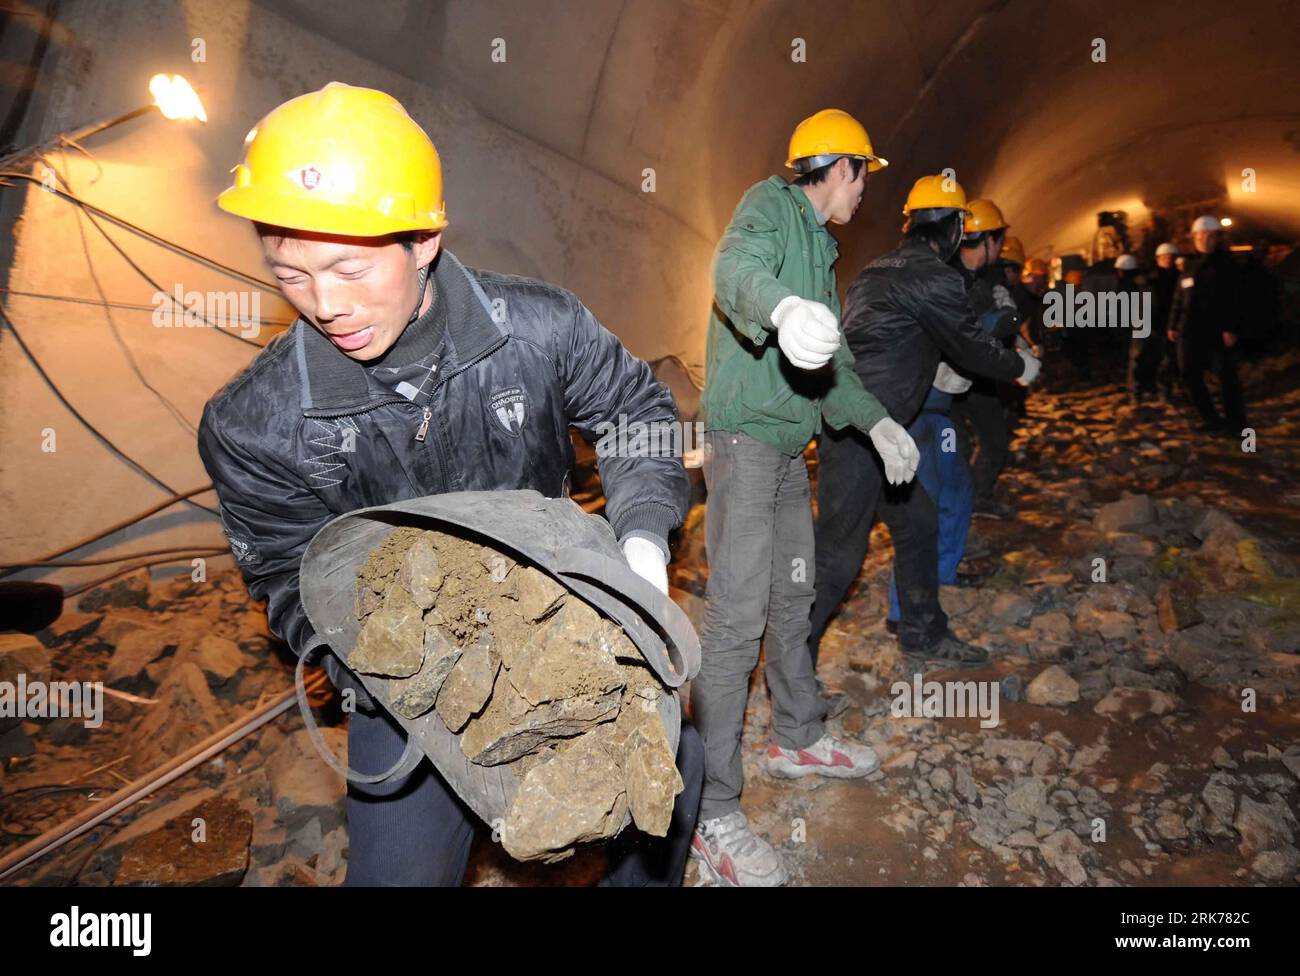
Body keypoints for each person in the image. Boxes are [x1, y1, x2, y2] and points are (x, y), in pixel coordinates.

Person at [198, 82, 700, 886]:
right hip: (410, 680)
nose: (324, 304)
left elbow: (636, 411)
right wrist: (381, 668)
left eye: (347, 269)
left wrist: (641, 541)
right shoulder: (255, 425)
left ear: (423, 240)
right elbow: (285, 572)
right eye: (290, 274)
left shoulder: (539, 330)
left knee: (670, 785)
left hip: (556, 612)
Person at [693, 108, 918, 887]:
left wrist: (879, 422)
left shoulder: (822, 253)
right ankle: (712, 809)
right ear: (843, 168)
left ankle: (796, 736)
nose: (864, 194)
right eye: (864, 176)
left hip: (790, 450)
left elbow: (837, 371)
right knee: (734, 621)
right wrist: (782, 311)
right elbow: (733, 272)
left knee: (793, 601)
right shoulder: (769, 207)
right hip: (744, 443)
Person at [810, 176, 1038, 673]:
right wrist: (1020, 367)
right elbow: (972, 347)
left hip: (867, 427)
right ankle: (793, 668)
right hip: (864, 434)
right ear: (956, 228)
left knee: (918, 522)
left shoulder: (876, 268)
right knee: (837, 557)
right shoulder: (937, 276)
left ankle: (921, 631)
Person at [949, 199, 1019, 518]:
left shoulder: (975, 277)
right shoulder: (959, 279)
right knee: (990, 440)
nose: (1002, 247)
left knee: (962, 444)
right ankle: (971, 501)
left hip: (962, 378)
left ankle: (966, 501)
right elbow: (976, 335)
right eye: (1000, 239)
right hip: (960, 377)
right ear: (989, 239)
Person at [1167, 215, 1247, 435]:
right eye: (1201, 235)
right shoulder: (1189, 266)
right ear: (1194, 238)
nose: (1205, 239)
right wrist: (1173, 324)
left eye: (1210, 235)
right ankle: (1210, 419)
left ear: (1218, 238)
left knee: (1225, 378)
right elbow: (1178, 297)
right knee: (1189, 375)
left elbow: (1235, 299)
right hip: (1188, 330)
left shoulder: (1227, 265)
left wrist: (1231, 327)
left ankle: (1236, 424)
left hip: (1216, 330)